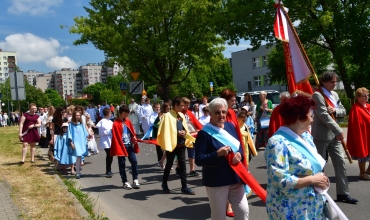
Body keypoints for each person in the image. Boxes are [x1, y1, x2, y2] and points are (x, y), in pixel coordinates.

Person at [265, 94, 329, 219]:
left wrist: (322, 179)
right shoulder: (277, 142)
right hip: (290, 208)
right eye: (310, 116)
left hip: (312, 205)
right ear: (299, 119)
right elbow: (281, 181)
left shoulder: (306, 137)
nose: (312, 119)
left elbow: (313, 167)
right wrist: (312, 180)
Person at [194, 98, 249, 220]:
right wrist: (217, 154)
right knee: (219, 216)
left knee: (243, 211)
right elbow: (199, 159)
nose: (221, 115)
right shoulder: (204, 133)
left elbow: (239, 146)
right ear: (211, 113)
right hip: (217, 180)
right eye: (217, 112)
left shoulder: (230, 126)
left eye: (224, 112)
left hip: (235, 177)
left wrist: (240, 154)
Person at [311, 71, 358, 204]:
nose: (334, 84)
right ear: (324, 82)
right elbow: (323, 115)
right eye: (332, 81)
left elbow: (343, 110)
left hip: (334, 136)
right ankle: (320, 194)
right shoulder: (318, 95)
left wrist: (335, 110)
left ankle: (343, 193)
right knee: (320, 165)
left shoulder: (334, 94)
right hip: (321, 135)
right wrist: (338, 130)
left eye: (335, 81)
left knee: (340, 163)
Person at [157, 96, 196, 195]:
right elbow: (165, 131)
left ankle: (184, 187)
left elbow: (185, 128)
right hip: (172, 144)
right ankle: (164, 183)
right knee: (169, 164)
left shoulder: (181, 115)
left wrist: (185, 134)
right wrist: (177, 133)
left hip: (181, 144)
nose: (183, 107)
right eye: (181, 105)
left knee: (183, 166)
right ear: (176, 105)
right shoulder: (167, 116)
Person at [110, 105, 140, 189]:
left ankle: (135, 179)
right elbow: (116, 137)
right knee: (122, 164)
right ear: (123, 113)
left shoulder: (127, 121)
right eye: (127, 114)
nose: (128, 115)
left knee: (134, 161)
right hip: (121, 147)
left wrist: (133, 137)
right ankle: (125, 181)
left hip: (129, 145)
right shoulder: (116, 123)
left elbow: (132, 132)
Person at [346, 87, 370, 180]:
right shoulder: (355, 108)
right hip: (362, 134)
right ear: (358, 97)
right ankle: (362, 173)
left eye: (367, 95)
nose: (366, 97)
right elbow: (356, 124)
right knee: (363, 154)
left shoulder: (368, 106)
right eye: (364, 96)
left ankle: (368, 170)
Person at [181, 97, 203, 177]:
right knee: (181, 155)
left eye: (188, 105)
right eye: (185, 105)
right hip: (182, 137)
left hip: (191, 136)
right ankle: (178, 168)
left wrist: (200, 130)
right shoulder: (178, 113)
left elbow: (196, 123)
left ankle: (192, 170)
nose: (187, 106)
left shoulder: (190, 113)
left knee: (192, 154)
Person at [67, 110, 89, 179]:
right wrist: (71, 143)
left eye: (79, 115)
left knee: (79, 157)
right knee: (78, 156)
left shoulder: (81, 124)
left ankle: (78, 172)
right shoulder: (71, 125)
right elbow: (69, 134)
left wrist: (88, 137)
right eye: (76, 115)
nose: (78, 117)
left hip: (81, 142)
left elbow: (85, 133)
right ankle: (77, 172)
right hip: (75, 143)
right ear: (74, 116)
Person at [96, 108, 114, 178]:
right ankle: (108, 170)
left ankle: (109, 170)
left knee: (111, 155)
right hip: (105, 140)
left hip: (111, 140)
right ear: (107, 113)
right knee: (109, 154)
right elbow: (101, 133)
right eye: (110, 113)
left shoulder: (111, 122)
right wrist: (110, 131)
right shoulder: (102, 122)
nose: (111, 114)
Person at [153, 103, 171, 169]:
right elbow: (155, 124)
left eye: (169, 109)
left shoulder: (170, 114)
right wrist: (160, 126)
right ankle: (161, 163)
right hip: (160, 134)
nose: (168, 110)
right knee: (160, 150)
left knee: (168, 149)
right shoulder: (160, 115)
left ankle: (164, 162)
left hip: (168, 134)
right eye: (167, 109)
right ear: (164, 108)